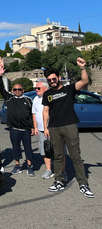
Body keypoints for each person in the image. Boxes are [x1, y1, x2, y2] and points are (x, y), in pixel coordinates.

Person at [43, 58, 94, 197]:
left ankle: (83, 183)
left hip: (69, 126)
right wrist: (46, 127)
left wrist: (82, 68)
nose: (52, 81)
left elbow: (84, 81)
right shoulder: (47, 94)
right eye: (49, 80)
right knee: (58, 156)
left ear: (59, 77)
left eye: (54, 79)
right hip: (54, 128)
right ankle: (58, 181)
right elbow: (46, 111)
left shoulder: (69, 89)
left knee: (76, 156)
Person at [0, 63, 34, 176]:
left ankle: (29, 166)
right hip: (14, 128)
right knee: (16, 148)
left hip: (26, 129)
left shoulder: (28, 100)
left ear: (23, 90)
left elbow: (32, 115)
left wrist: (33, 127)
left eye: (19, 89)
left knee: (28, 148)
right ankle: (17, 166)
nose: (17, 91)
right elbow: (0, 88)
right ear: (12, 90)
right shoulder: (9, 98)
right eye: (15, 89)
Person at [32, 81, 54, 179]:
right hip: (41, 130)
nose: (36, 90)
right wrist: (35, 127)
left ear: (46, 88)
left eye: (38, 88)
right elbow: (34, 114)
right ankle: (48, 170)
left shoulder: (52, 97)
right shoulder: (36, 99)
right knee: (45, 150)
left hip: (53, 128)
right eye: (35, 88)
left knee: (58, 150)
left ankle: (62, 171)